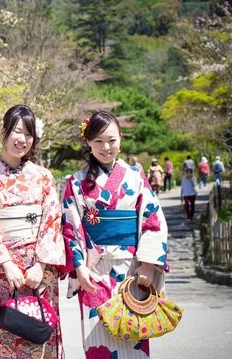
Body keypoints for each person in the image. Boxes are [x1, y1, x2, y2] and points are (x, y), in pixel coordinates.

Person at [62, 111, 168, 358]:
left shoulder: (135, 176)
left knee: (134, 339)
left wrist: (148, 265)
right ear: (88, 142)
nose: (106, 147)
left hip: (133, 270)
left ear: (121, 138)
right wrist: (79, 268)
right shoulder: (76, 183)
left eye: (111, 140)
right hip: (94, 272)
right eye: (98, 141)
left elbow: (153, 221)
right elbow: (70, 229)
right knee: (97, 341)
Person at [0, 104, 65, 359]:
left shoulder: (43, 177)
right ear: (3, 132)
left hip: (37, 274)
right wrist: (7, 264)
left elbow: (52, 221)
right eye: (16, 131)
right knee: (2, 339)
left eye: (28, 134)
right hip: (2, 271)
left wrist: (41, 266)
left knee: (39, 338)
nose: (22, 139)